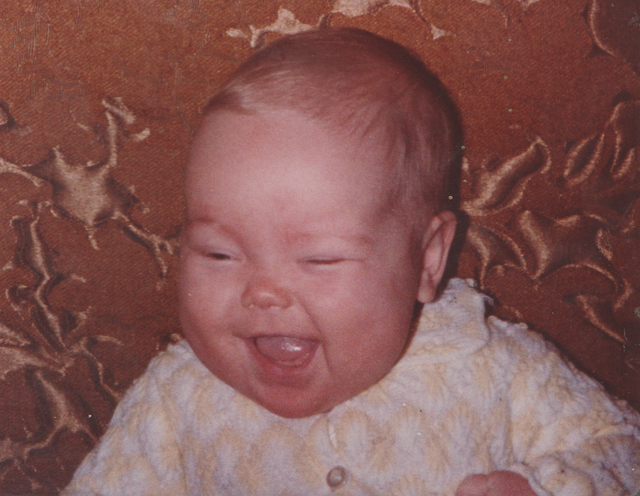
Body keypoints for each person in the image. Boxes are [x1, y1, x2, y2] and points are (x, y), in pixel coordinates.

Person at [62, 28, 640, 496]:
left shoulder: (495, 366)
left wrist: (545, 488)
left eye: (318, 258)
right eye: (218, 252)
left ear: (426, 261)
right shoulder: (176, 400)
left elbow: (622, 446)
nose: (263, 292)